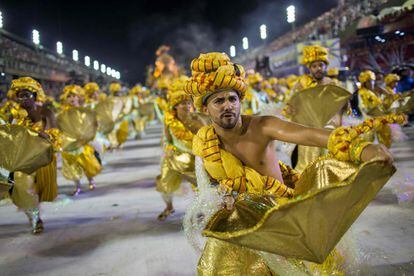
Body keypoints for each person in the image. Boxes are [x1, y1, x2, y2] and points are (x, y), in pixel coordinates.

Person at [183, 52, 401, 275]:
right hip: (241, 223)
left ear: (240, 100)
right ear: (205, 108)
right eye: (219, 101)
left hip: (282, 218)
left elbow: (311, 135)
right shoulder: (205, 142)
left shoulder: (263, 126)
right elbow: (210, 185)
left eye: (232, 99)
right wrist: (222, 197)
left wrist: (361, 148)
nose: (227, 106)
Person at [2, 77, 60, 234]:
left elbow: (55, 137)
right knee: (23, 189)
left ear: (34, 96)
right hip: (22, 161)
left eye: (26, 95)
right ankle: (35, 219)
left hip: (41, 160)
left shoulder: (45, 113)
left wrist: (40, 133)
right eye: (19, 95)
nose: (22, 99)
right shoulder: (12, 115)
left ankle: (34, 214)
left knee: (37, 193)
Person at [156, 76, 206, 221]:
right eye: (182, 103)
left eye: (188, 102)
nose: (186, 106)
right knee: (165, 182)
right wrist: (168, 149)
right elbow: (166, 139)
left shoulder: (198, 119)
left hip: (193, 158)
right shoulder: (169, 120)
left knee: (201, 184)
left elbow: (205, 139)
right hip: (173, 156)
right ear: (175, 106)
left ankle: (202, 210)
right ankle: (169, 207)